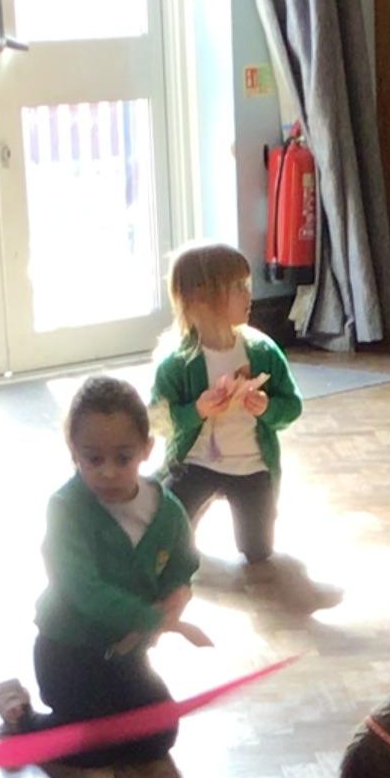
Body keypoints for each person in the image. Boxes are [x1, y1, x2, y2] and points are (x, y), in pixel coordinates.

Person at [0, 375, 205, 775]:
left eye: (122, 458)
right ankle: (24, 721)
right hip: (69, 654)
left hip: (126, 656)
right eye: (93, 459)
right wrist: (152, 617)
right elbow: (82, 590)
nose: (107, 472)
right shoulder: (66, 509)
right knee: (93, 740)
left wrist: (179, 591)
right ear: (74, 453)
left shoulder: (167, 510)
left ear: (146, 449)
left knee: (160, 734)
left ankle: (67, 727)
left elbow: (183, 561)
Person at [149, 239, 304, 575]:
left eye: (246, 286)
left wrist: (267, 408)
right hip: (195, 464)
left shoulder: (262, 351)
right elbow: (157, 422)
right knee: (168, 538)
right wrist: (197, 410)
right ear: (201, 298)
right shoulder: (177, 363)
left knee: (258, 551)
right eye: (238, 288)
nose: (249, 296)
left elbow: (292, 406)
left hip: (251, 467)